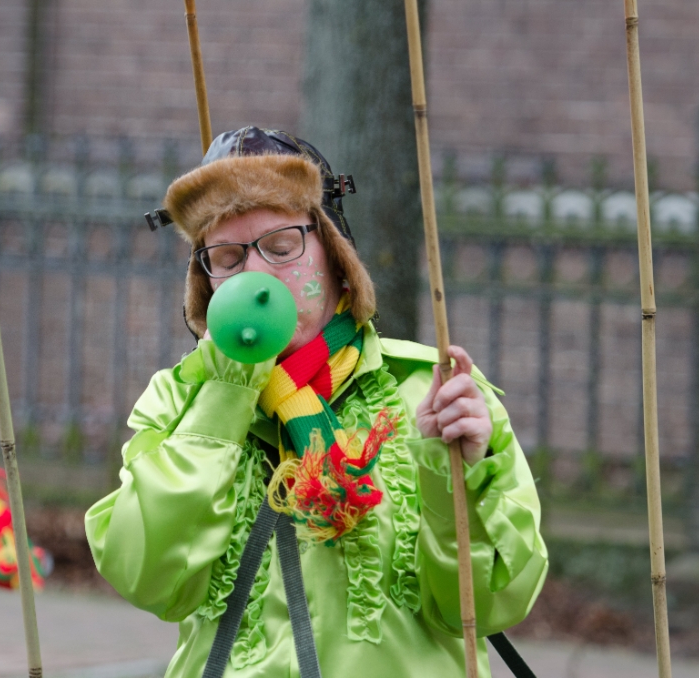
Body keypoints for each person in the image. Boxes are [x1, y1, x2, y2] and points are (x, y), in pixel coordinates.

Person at [86, 127, 547, 677]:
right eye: (227, 259)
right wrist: (225, 398)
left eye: (282, 248)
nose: (256, 277)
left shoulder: (433, 391)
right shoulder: (180, 399)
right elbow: (148, 579)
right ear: (206, 286)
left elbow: (489, 606)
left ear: (336, 259)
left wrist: (453, 476)